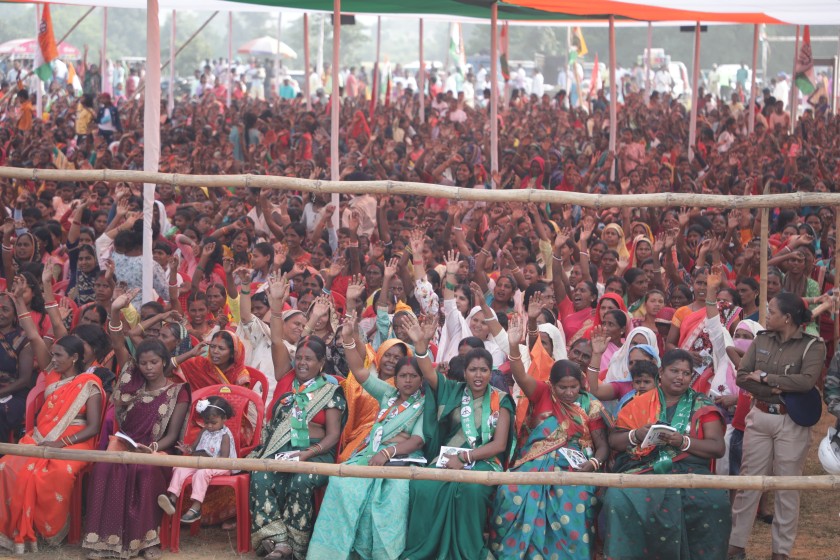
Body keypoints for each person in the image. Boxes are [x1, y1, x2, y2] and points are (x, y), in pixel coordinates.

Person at [308, 310, 426, 559]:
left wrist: (388, 450)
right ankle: (335, 551)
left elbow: (416, 440)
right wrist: (350, 338)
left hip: (401, 462)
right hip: (370, 454)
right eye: (402, 376)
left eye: (412, 376)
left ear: (420, 379)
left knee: (390, 496)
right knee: (342, 484)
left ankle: (381, 554)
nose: (406, 381)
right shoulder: (387, 393)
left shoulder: (425, 403)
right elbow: (360, 372)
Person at [82, 289, 190, 560]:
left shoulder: (178, 391)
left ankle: (144, 543)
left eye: (154, 362)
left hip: (157, 450)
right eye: (143, 363)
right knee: (107, 466)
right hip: (124, 442)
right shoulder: (133, 380)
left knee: (142, 469)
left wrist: (150, 448)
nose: (149, 368)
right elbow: (118, 341)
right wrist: (116, 310)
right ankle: (105, 542)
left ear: (165, 363)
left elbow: (173, 434)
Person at [490, 315, 609, 559]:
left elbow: (602, 446)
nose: (568, 392)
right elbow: (520, 375)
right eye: (562, 387)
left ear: (580, 385)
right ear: (551, 385)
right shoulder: (542, 393)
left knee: (576, 496)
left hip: (576, 466)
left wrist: (594, 463)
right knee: (510, 491)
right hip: (534, 462)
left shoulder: (590, 404)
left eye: (573, 387)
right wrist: (513, 345)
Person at [0, 276, 104, 554]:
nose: (52, 359)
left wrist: (60, 444)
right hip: (41, 435)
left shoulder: (89, 383)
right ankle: (15, 529)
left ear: (74, 358)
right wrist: (20, 301)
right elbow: (34, 335)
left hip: (75, 440)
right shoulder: (52, 374)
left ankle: (49, 532)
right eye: (53, 355)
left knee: (54, 472)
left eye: (58, 355)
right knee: (10, 465)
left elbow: (93, 427)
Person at [401, 313, 514, 560]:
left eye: (484, 370)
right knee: (423, 485)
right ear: (464, 372)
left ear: (490, 371)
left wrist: (465, 458)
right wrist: (421, 346)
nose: (478, 375)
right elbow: (428, 374)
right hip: (447, 457)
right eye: (472, 369)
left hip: (484, 461)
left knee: (469, 489)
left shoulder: (501, 400)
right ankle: (425, 549)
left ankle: (470, 552)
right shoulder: (452, 390)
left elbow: (500, 444)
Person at [249, 275, 346, 559]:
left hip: (315, 455)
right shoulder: (286, 376)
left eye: (308, 360)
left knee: (301, 480)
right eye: (299, 359)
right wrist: (277, 303)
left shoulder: (331, 388)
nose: (302, 363)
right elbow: (277, 338)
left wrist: (307, 455)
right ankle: (277, 543)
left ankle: (295, 545)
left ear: (320, 364)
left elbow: (332, 436)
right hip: (282, 449)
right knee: (261, 474)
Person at [603, 349, 730, 559]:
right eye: (674, 371)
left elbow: (717, 448)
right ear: (661, 373)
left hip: (691, 472)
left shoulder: (702, 405)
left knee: (715, 501)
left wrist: (684, 441)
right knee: (618, 498)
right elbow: (615, 441)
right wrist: (636, 435)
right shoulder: (638, 403)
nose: (680, 377)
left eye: (686, 373)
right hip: (644, 469)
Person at [728, 293, 826, 560]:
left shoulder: (813, 345)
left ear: (787, 317)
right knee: (749, 482)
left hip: (791, 422)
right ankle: (736, 546)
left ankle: (780, 552)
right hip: (758, 416)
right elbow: (741, 378)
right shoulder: (761, 339)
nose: (766, 315)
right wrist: (779, 385)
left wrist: (765, 378)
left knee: (787, 486)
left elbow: (806, 382)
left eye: (771, 311)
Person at [158, 396, 235, 525]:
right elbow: (193, 448)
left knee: (201, 473)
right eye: (206, 422)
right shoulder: (204, 431)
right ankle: (172, 499)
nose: (209, 426)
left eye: (213, 423)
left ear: (224, 419)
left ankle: (196, 507)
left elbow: (224, 459)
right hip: (200, 462)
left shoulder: (225, 436)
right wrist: (187, 449)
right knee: (179, 468)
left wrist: (207, 460)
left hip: (219, 465)